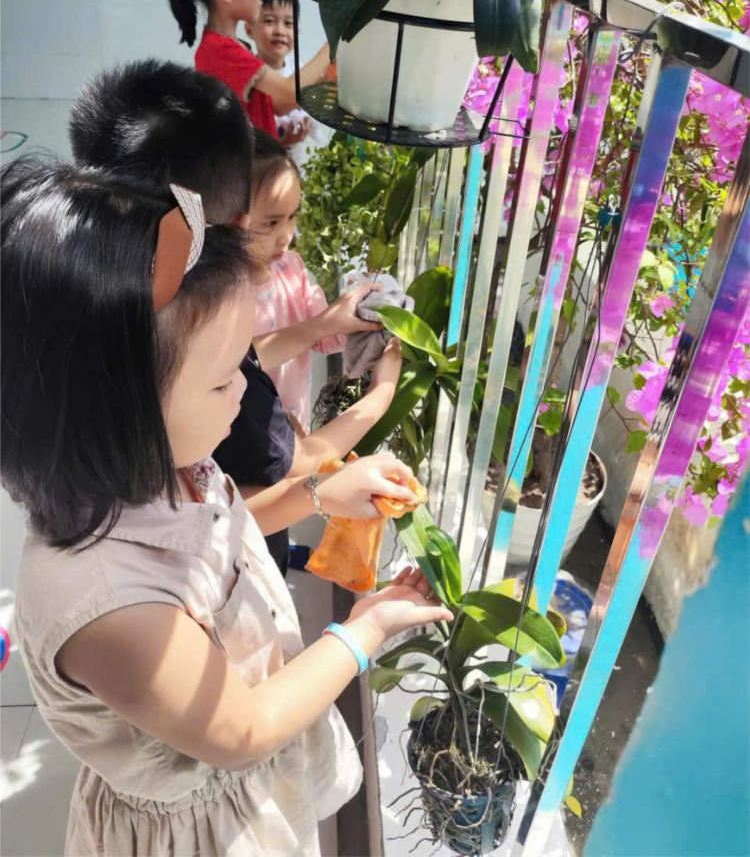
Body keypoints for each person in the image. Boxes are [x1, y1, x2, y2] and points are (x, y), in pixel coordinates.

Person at [0, 156, 452, 857]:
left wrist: (319, 493)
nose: (245, 391)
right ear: (111, 411)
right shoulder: (107, 606)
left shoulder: (169, 462)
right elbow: (242, 730)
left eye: (243, 362)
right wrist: (367, 629)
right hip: (196, 831)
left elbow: (224, 532)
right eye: (221, 382)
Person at [69, 59, 390, 574]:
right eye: (269, 222)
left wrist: (320, 327)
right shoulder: (201, 328)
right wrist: (381, 396)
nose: (285, 237)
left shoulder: (113, 292)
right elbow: (271, 477)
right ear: (230, 224)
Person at [163, 0, 329, 137]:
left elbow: (278, 105)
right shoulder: (221, 50)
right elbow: (289, 91)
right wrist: (331, 47)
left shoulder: (227, 46)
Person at [243, 129, 344, 433]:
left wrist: (362, 314)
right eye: (272, 222)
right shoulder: (219, 292)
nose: (286, 235)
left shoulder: (292, 269)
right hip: (247, 439)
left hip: (295, 433)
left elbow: (328, 336)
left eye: (292, 217)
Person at [245, 0, 332, 167]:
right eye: (269, 21)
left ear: (297, 33)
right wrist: (280, 139)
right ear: (249, 28)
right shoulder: (249, 75)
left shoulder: (298, 69)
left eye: (288, 23)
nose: (280, 31)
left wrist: (306, 124)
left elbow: (312, 110)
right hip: (260, 169)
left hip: (295, 167)